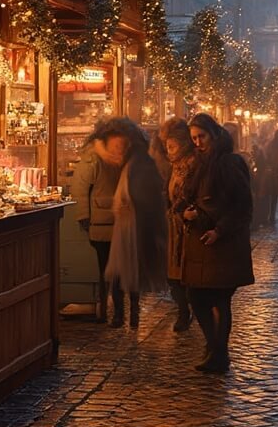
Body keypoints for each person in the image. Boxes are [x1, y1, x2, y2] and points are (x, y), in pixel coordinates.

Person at [182, 113, 255, 373]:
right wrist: (186, 213)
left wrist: (220, 230)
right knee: (197, 296)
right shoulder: (199, 162)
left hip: (223, 244)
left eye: (201, 137)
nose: (198, 142)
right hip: (200, 243)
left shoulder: (229, 163)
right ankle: (215, 348)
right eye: (193, 138)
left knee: (219, 298)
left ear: (214, 135)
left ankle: (218, 352)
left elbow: (242, 205)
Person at [102, 118, 167, 329]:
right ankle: (126, 315)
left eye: (120, 146)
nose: (116, 151)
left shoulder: (139, 163)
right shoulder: (133, 162)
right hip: (127, 224)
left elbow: (145, 197)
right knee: (123, 271)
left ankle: (129, 315)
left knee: (129, 270)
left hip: (133, 225)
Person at [72, 120, 127, 325]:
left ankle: (116, 311)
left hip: (119, 222)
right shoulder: (94, 158)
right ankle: (107, 310)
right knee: (106, 270)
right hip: (102, 223)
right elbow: (80, 188)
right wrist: (84, 216)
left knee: (115, 271)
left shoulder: (126, 157)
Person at [161, 118, 196, 332]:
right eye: (166, 145)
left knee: (186, 274)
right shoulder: (174, 166)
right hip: (174, 228)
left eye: (172, 146)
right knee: (173, 276)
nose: (169, 150)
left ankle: (187, 312)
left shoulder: (193, 164)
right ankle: (183, 310)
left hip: (189, 228)